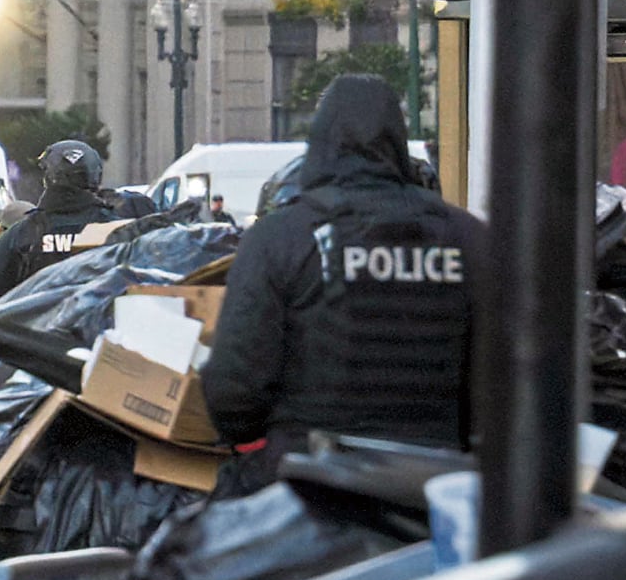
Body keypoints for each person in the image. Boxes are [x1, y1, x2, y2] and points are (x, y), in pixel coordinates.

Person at [203, 74, 486, 484]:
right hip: (437, 481)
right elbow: (505, 380)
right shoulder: (469, 239)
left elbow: (233, 389)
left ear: (319, 141)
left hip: (306, 486)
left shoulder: (280, 239)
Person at [0, 140, 122, 315]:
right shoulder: (118, 230)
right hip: (102, 330)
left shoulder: (23, 234)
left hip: (33, 331)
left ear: (48, 179)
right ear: (95, 178)